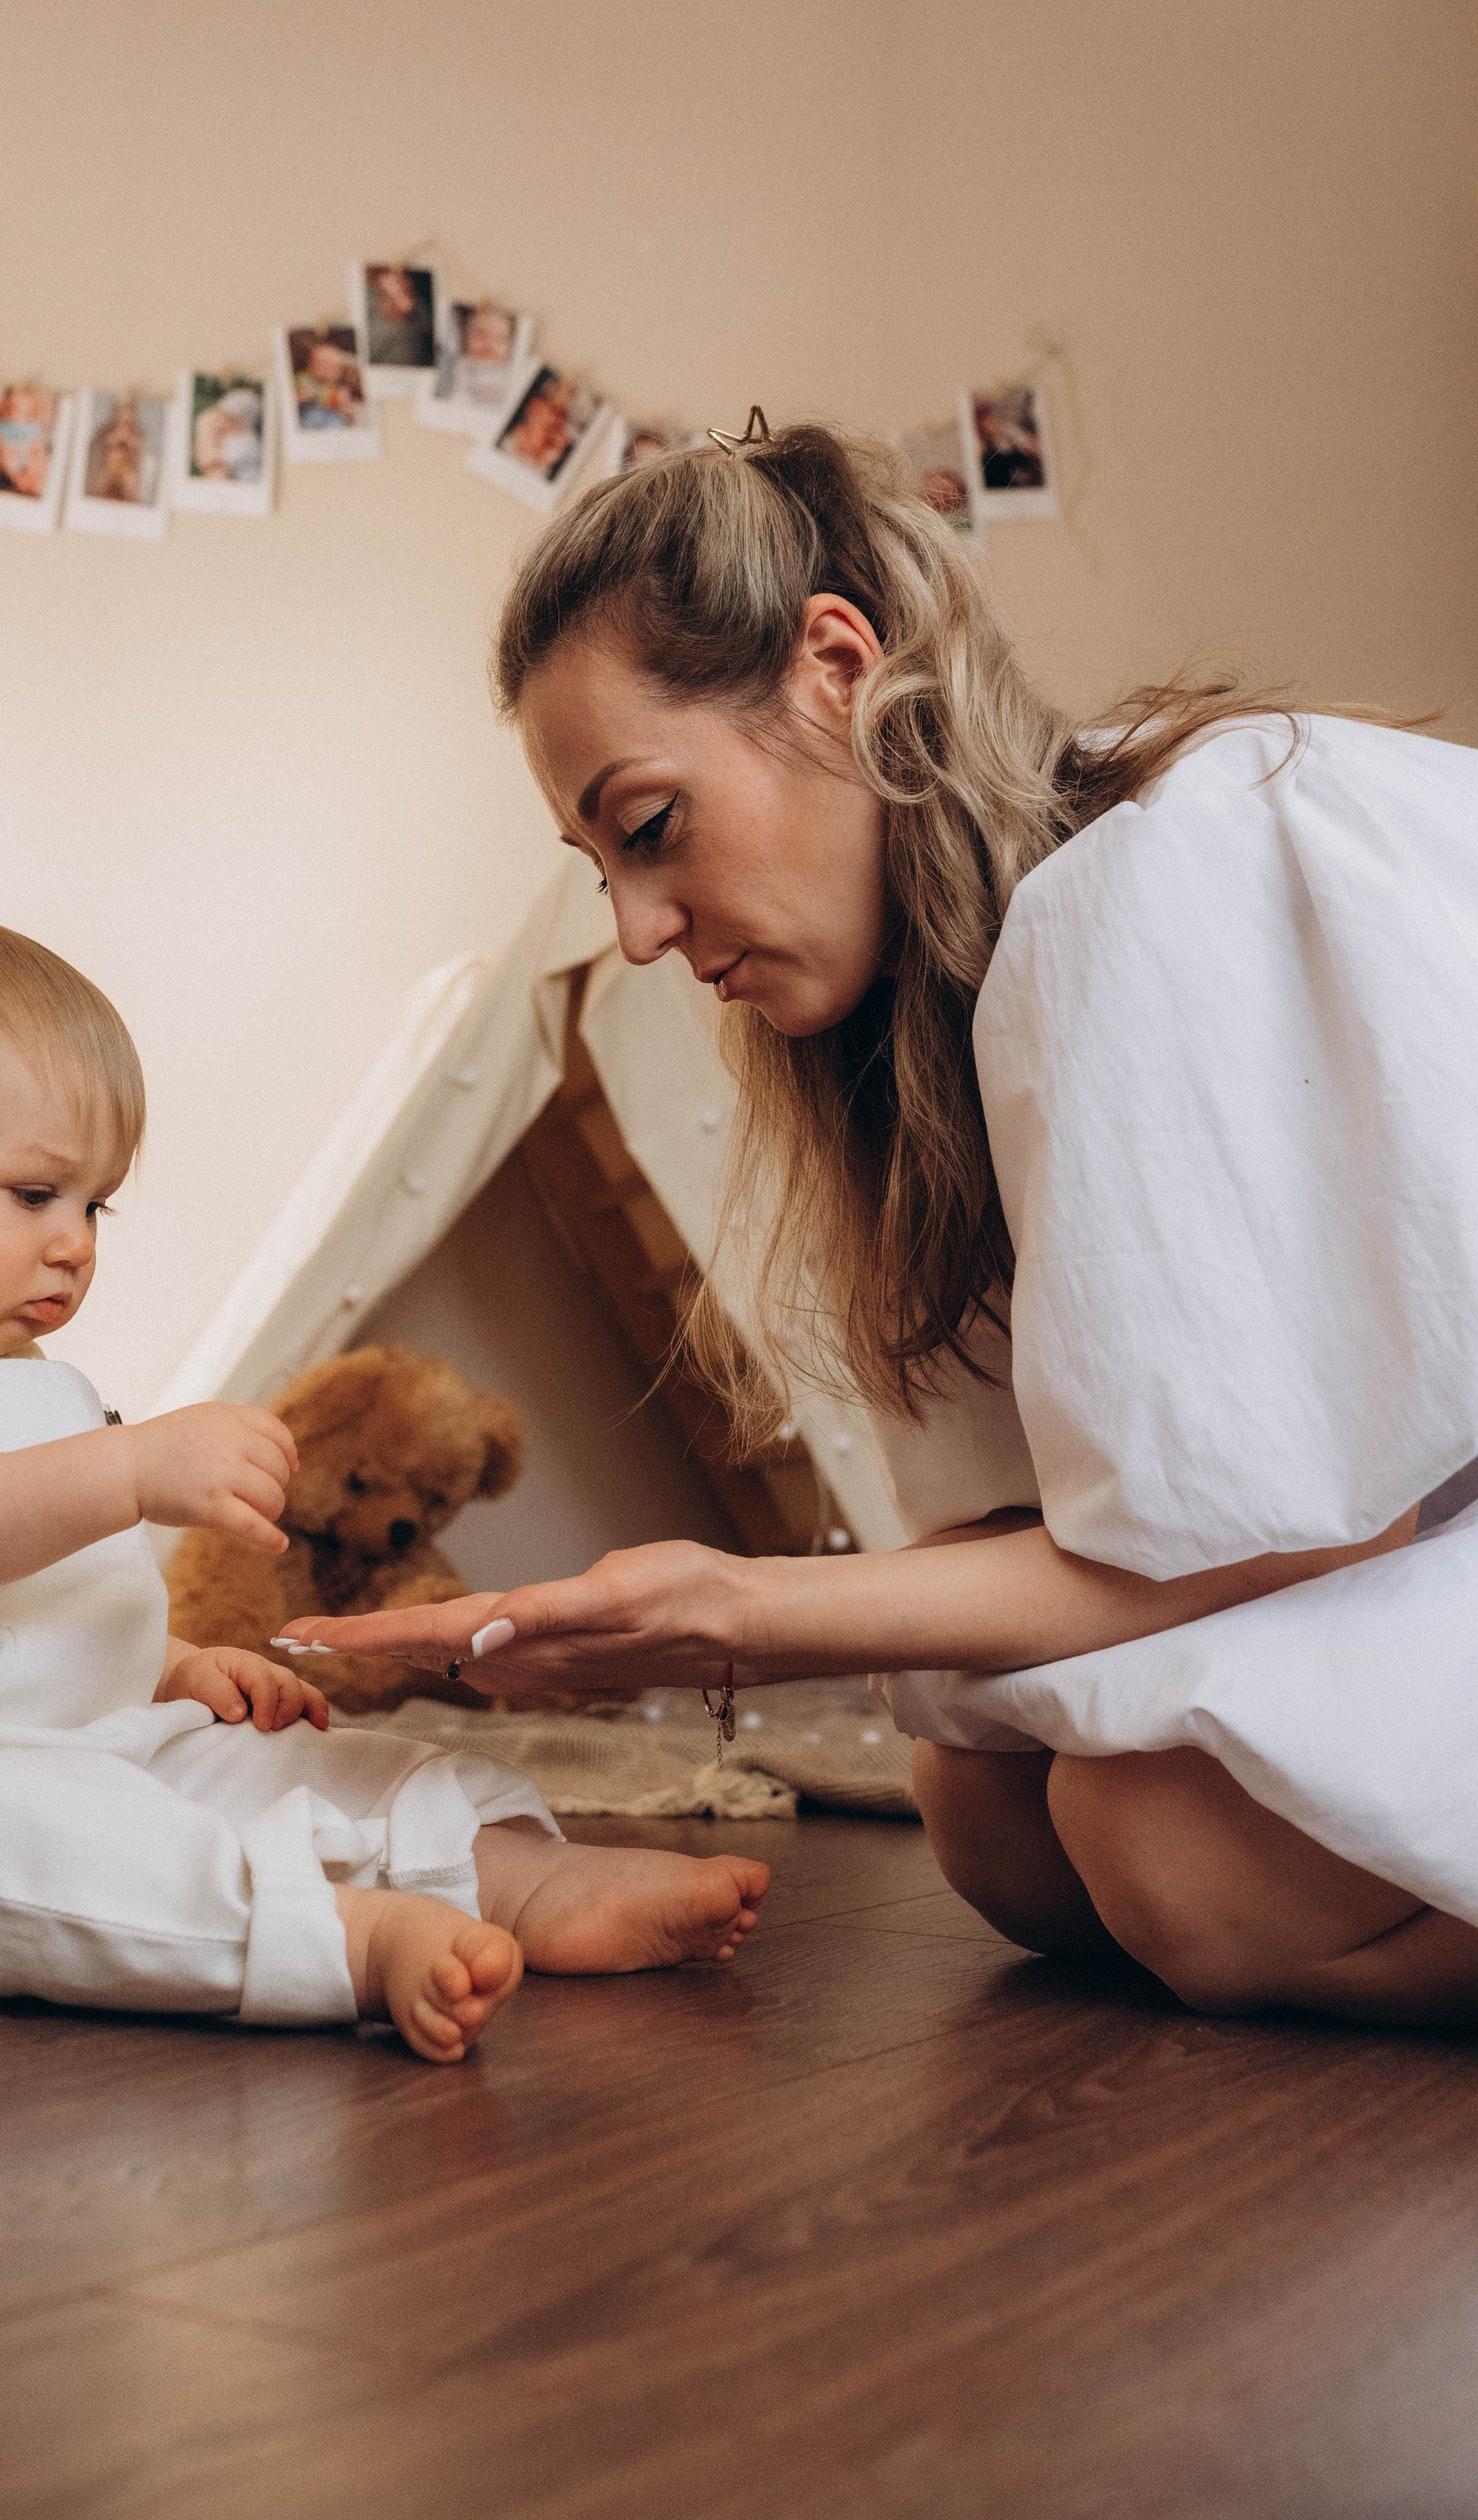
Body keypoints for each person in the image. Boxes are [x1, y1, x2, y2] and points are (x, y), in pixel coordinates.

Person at [278, 418, 1478, 2034]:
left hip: (1405, 1526)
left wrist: (732, 1608)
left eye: (648, 829)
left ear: (832, 667)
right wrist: (685, 1614)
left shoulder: (1147, 877)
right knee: (984, 1804)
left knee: (1173, 1847)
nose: (635, 929)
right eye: (598, 870)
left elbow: (1295, 1528)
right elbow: (1077, 1526)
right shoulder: (933, 1027)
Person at [0, 919, 767, 2063]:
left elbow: (16, 1623)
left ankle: (524, 1875)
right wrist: (135, 1466)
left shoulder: (32, 1382)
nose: (78, 1242)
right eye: (36, 1195)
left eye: (96, 1205)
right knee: (55, 1844)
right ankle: (342, 1946)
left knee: (323, 1765)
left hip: (65, 1746)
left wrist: (171, 1664)